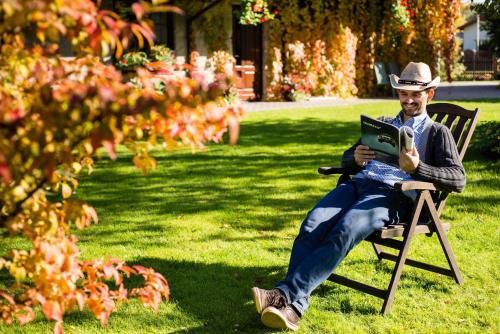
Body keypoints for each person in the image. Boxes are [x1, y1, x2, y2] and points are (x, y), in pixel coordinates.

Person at [251, 62, 466, 331]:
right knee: (312, 224)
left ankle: (282, 296)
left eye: (415, 95)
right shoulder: (384, 125)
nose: (408, 100)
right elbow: (347, 158)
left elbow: (458, 179)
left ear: (429, 94)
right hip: (358, 186)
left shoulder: (437, 133)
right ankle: (293, 308)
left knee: (346, 229)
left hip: (393, 195)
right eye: (403, 94)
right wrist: (355, 158)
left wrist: (417, 168)